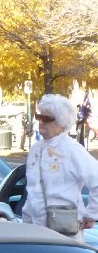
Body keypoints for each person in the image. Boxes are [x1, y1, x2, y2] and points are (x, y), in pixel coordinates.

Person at [22, 93, 98, 239]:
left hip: (64, 231)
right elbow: (31, 189)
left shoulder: (72, 149)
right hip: (33, 229)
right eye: (39, 117)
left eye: (47, 119)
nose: (41, 122)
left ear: (61, 123)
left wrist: (91, 214)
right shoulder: (35, 149)